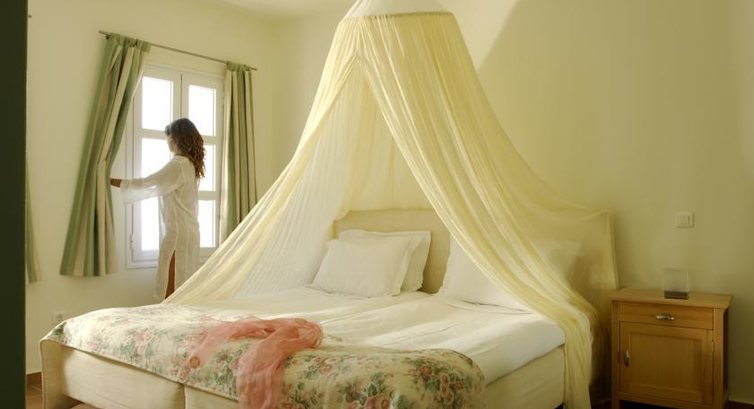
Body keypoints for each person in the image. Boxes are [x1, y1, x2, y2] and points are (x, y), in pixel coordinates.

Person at [111, 118, 204, 299]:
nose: (167, 141)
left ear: (176, 138)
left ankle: (170, 317)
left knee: (172, 288)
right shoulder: (190, 165)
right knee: (183, 285)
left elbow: (148, 183)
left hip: (178, 234)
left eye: (169, 137)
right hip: (190, 231)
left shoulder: (178, 164)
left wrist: (113, 182)